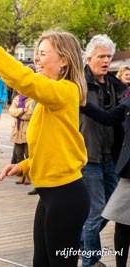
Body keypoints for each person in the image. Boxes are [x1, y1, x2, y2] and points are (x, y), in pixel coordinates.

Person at [0, 17, 90, 266]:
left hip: (66, 196)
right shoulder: (48, 99)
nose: (37, 59)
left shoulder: (65, 91)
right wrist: (25, 166)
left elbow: (24, 79)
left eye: (43, 54)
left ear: (63, 61)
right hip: (50, 195)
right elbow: (54, 145)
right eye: (36, 54)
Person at [80, 34, 127, 267]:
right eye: (101, 56)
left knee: (109, 211)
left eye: (109, 56)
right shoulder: (78, 84)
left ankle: (80, 240)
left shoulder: (117, 86)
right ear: (89, 58)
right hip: (87, 156)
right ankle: (91, 261)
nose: (106, 60)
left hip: (112, 157)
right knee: (96, 212)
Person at [8, 92, 35, 185]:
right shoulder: (17, 99)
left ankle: (28, 176)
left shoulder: (32, 99)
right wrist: (23, 110)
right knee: (18, 154)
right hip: (17, 131)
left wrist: (18, 113)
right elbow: (11, 111)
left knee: (28, 154)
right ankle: (21, 175)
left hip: (27, 129)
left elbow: (31, 114)